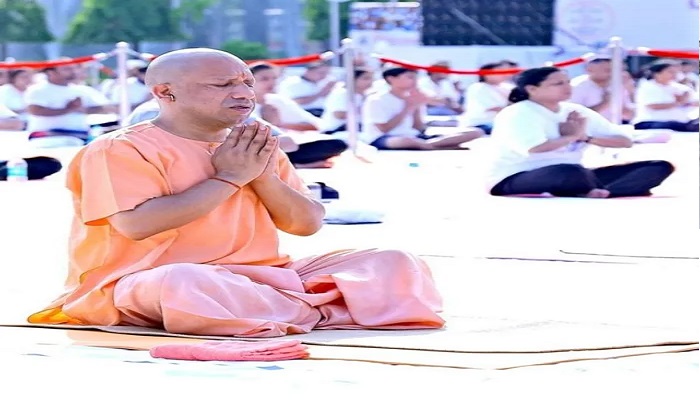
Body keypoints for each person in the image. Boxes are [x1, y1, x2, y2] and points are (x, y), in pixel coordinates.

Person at [27, 48, 444, 337]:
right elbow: (137, 225)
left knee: (394, 261)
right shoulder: (119, 149)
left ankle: (287, 308)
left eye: (246, 82)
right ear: (165, 93)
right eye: (222, 84)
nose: (243, 93)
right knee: (182, 283)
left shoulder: (255, 143)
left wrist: (259, 176)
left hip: (266, 277)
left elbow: (306, 224)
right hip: (146, 282)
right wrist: (228, 179)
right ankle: (322, 309)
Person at [486, 67, 674, 198]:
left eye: (567, 82)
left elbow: (625, 141)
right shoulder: (519, 112)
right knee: (569, 172)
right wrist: (571, 137)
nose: (567, 87)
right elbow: (534, 148)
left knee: (659, 166)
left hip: (577, 175)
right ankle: (593, 190)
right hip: (518, 176)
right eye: (558, 83)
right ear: (532, 89)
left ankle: (604, 192)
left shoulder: (575, 111)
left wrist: (586, 137)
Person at [361, 66, 483, 150]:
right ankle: (433, 146)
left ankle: (429, 145)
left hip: (414, 137)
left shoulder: (413, 97)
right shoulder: (376, 99)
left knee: (475, 132)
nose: (414, 81)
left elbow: (418, 128)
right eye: (410, 77)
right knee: (407, 141)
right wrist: (408, 108)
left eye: (415, 78)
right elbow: (384, 129)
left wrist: (417, 106)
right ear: (391, 79)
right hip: (384, 138)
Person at [632, 59, 699, 132]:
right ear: (657, 73)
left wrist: (686, 98)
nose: (674, 75)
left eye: (676, 72)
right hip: (652, 122)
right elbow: (653, 106)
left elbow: (695, 102)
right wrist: (678, 103)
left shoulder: (678, 87)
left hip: (680, 121)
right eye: (670, 72)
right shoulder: (648, 86)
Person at [568, 57, 636, 123]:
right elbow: (572, 116)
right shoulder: (577, 86)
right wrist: (604, 104)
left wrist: (630, 92)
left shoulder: (618, 85)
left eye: (613, 70)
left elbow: (629, 116)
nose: (611, 73)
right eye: (607, 70)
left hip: (613, 126)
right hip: (586, 128)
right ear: (590, 69)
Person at [460, 61, 517, 135]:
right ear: (487, 74)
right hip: (480, 123)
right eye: (498, 71)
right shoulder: (478, 87)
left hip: (500, 123)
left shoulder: (507, 87)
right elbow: (494, 108)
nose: (503, 74)